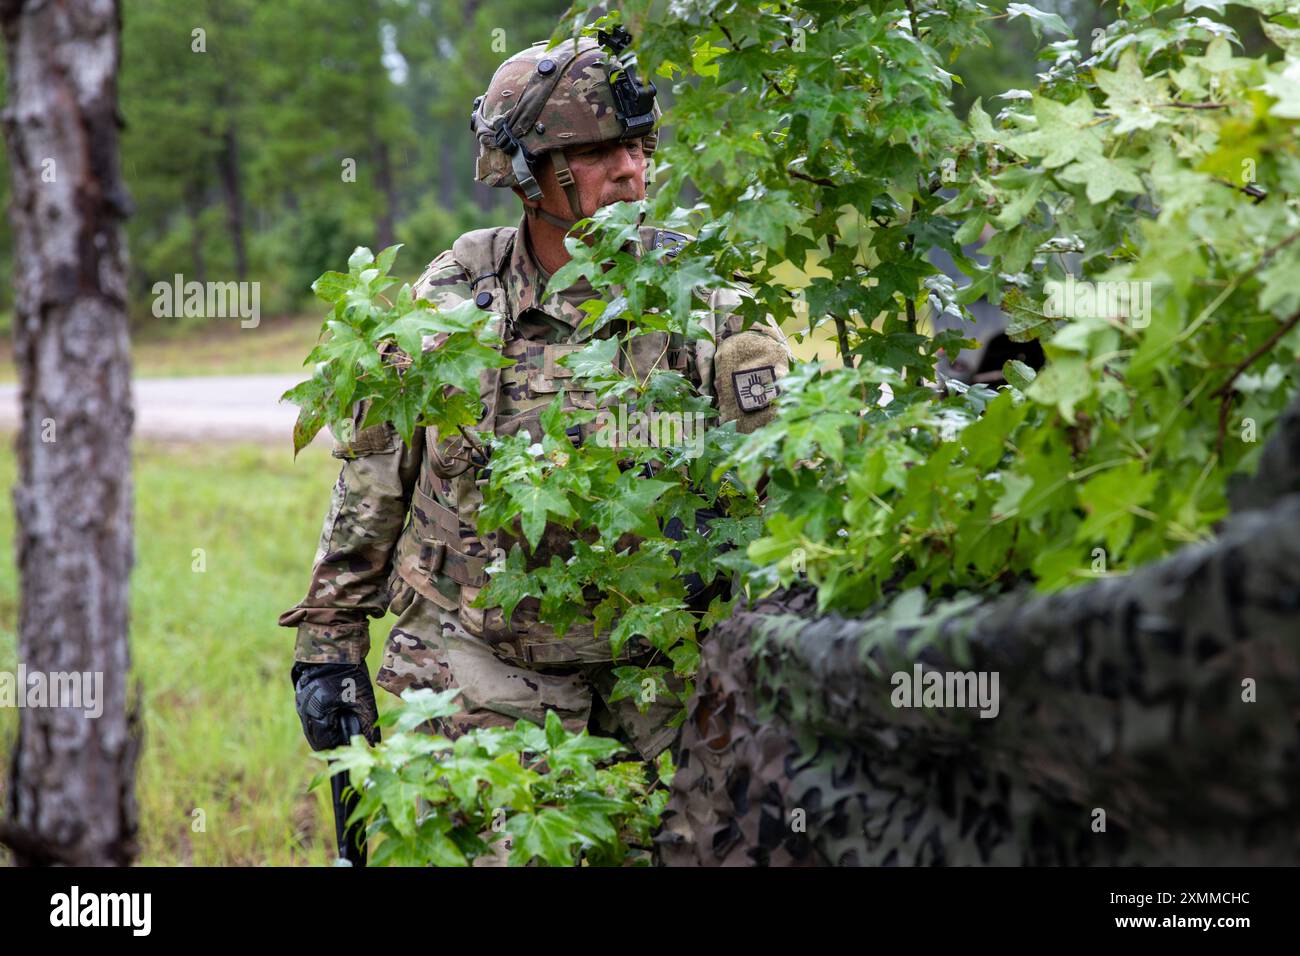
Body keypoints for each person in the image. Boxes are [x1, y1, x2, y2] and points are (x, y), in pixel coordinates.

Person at [282, 31, 790, 769]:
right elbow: (373, 481)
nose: (629, 170)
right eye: (597, 152)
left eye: (640, 146)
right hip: (480, 662)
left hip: (662, 673)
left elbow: (783, 504)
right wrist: (327, 646)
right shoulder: (453, 298)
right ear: (527, 173)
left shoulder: (708, 304)